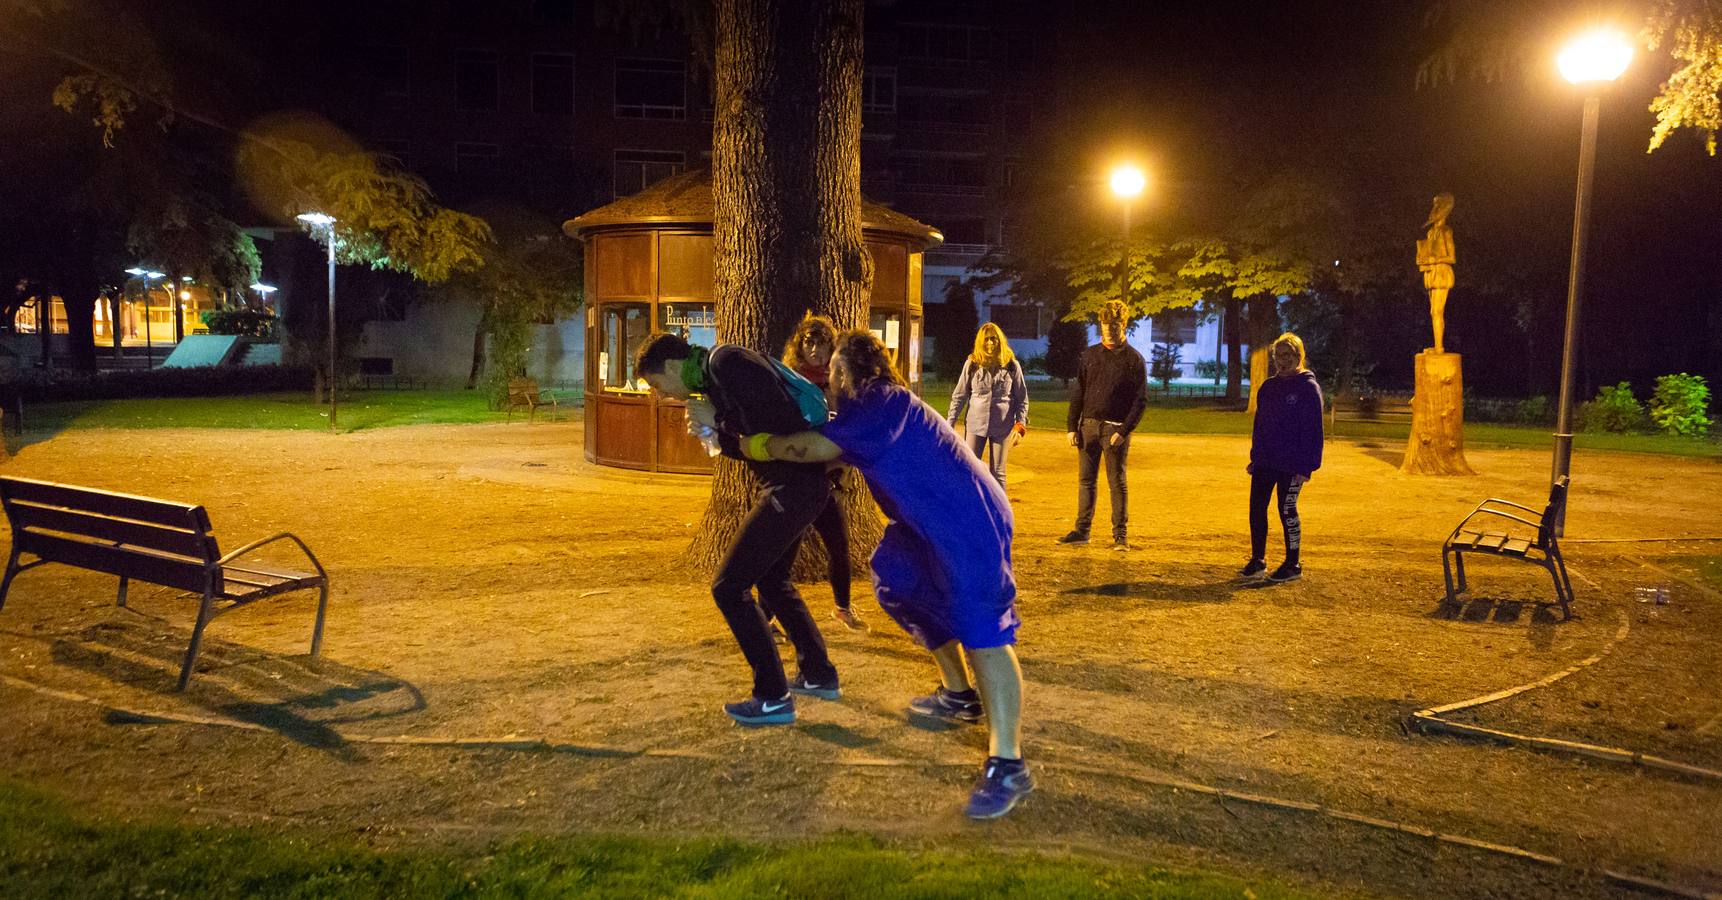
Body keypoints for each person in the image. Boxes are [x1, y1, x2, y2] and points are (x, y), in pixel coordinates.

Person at [743, 329, 1032, 820]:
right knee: (897, 582)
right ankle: (959, 695)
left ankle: (1008, 763)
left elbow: (809, 449)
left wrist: (754, 442)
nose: (828, 378)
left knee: (983, 627)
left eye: (833, 370)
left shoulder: (881, 402)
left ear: (849, 371)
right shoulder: (865, 411)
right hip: (925, 524)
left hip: (967, 520)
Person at [635, 333, 840, 726]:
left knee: (728, 587)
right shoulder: (715, 377)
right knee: (774, 583)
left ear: (674, 367)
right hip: (797, 486)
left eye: (658, 386)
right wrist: (716, 434)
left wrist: (720, 420)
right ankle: (818, 673)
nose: (662, 396)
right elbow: (748, 442)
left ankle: (772, 697)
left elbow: (777, 422)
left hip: (792, 487)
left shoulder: (728, 363)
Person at [782, 315, 866, 632]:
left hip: (826, 481)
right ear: (799, 347)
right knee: (786, 548)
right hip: (796, 478)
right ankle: (768, 615)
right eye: (809, 343)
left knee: (839, 546)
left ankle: (842, 608)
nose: (816, 350)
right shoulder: (790, 382)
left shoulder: (837, 383)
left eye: (822, 343)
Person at [1060, 300, 1148, 551]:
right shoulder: (1089, 356)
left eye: (1115, 324)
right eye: (1106, 324)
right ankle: (1082, 530)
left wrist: (1123, 431)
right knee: (1086, 481)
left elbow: (1140, 401)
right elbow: (1079, 392)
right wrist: (1071, 427)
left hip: (1114, 430)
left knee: (1116, 482)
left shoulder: (1134, 360)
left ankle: (1120, 536)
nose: (1109, 329)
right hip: (1088, 426)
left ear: (1124, 325)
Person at [1243, 332, 1324, 583]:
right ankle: (1258, 559)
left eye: (1287, 355)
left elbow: (1313, 431)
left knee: (1287, 509)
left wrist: (1307, 466)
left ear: (1299, 356)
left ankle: (1293, 563)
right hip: (1266, 461)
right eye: (1278, 355)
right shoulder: (1268, 388)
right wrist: (1255, 456)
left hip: (1292, 465)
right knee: (1257, 508)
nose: (1282, 360)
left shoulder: (1308, 389)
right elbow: (1260, 425)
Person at [947, 322, 1029, 489]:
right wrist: (950, 422)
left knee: (998, 473)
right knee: (971, 470)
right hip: (976, 426)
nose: (990, 343)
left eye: (993, 339)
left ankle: (998, 512)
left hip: (1002, 427)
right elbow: (960, 395)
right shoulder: (972, 364)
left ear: (1000, 341)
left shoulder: (1012, 366)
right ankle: (972, 510)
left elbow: (1022, 399)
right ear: (980, 342)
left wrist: (1020, 425)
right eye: (986, 340)